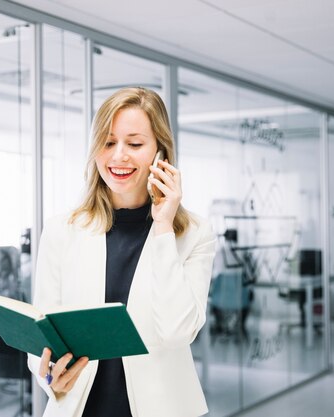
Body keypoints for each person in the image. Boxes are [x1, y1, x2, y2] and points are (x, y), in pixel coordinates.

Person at [27, 87, 216, 417]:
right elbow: (42, 334)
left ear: (161, 153)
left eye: (135, 143)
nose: (118, 156)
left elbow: (177, 332)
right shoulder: (61, 230)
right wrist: (48, 376)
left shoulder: (194, 234)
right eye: (109, 141)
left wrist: (163, 228)